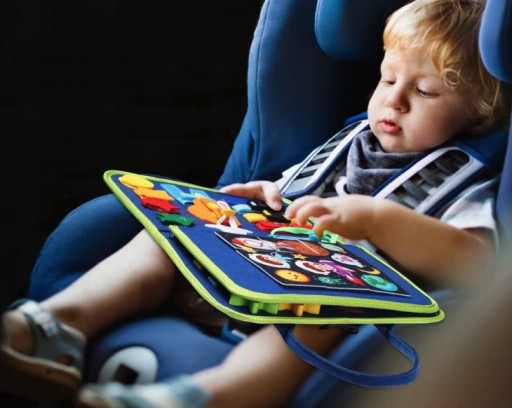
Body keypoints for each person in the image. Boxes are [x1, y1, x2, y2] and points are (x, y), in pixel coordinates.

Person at [1, 0, 510, 407]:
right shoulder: (350, 138)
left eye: (425, 92)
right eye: (388, 79)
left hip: (327, 300)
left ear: (478, 111)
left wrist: (379, 221)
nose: (394, 101)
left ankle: (208, 395)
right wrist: (264, 195)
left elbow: (480, 266)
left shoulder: (466, 180)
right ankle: (56, 325)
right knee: (171, 231)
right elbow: (289, 190)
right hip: (253, 268)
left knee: (328, 317)